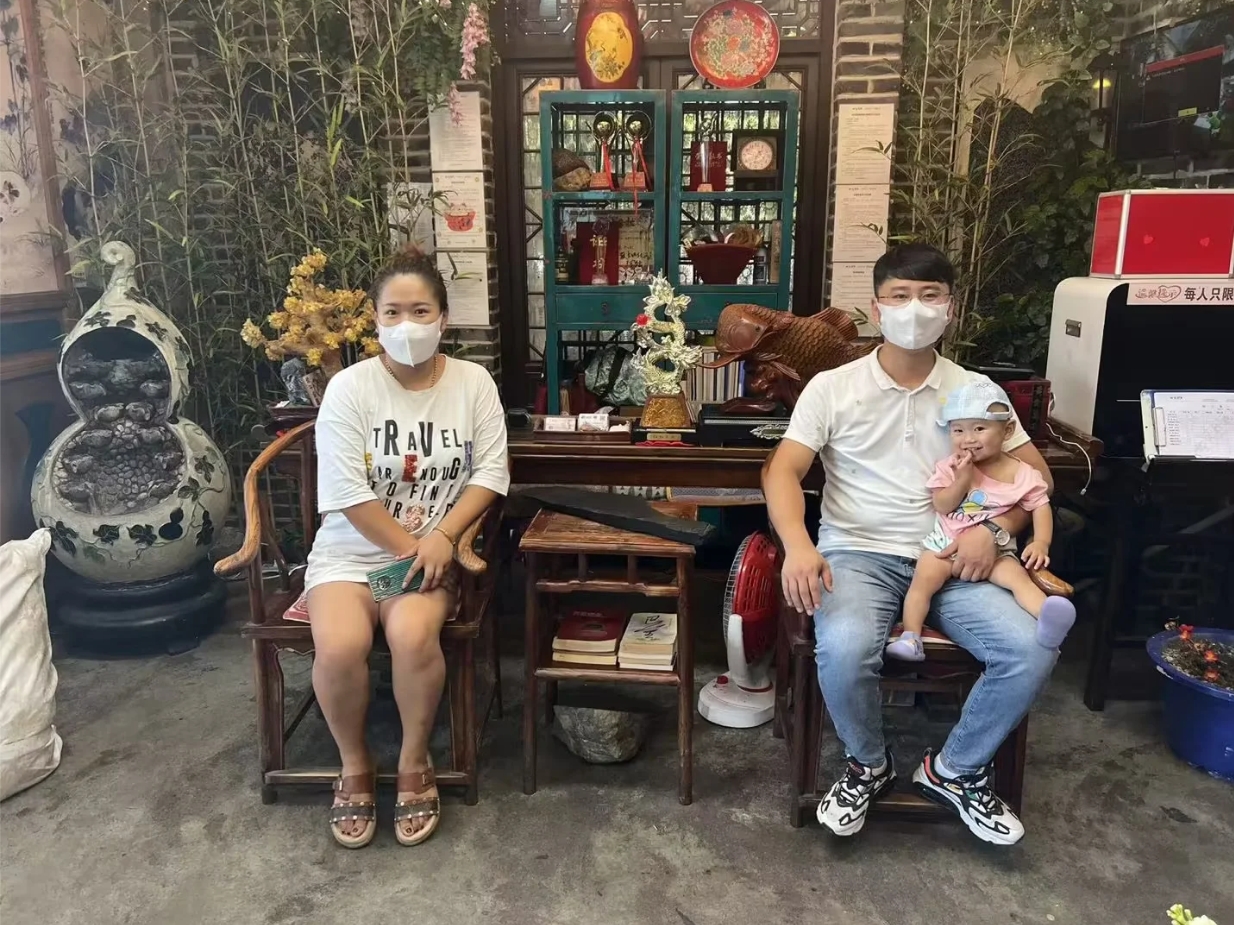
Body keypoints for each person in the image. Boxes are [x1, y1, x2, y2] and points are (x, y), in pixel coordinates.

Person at [762, 243, 1056, 846]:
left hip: (956, 556)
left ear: (951, 307)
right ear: (876, 308)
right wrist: (797, 544)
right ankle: (868, 765)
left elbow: (1037, 481)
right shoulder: (832, 387)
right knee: (845, 647)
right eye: (899, 296)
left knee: (1032, 646)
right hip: (858, 553)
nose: (914, 308)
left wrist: (995, 532)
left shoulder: (976, 390)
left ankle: (955, 769)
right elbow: (782, 470)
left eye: (929, 295)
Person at [303, 244, 509, 848]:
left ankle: (414, 760)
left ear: (444, 317)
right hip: (351, 552)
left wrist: (442, 537)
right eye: (392, 312)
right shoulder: (349, 388)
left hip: (435, 552)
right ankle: (355, 765)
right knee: (340, 645)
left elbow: (491, 472)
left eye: (420, 311)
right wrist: (411, 547)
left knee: (413, 635)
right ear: (375, 320)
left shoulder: (473, 383)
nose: (406, 325)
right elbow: (346, 492)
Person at [884, 378, 1076, 662]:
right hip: (944, 546)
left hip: (996, 552)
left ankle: (1049, 620)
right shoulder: (951, 467)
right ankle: (911, 637)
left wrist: (1041, 543)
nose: (968, 439)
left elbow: (1040, 505)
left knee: (1019, 579)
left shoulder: (1023, 473)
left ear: (1007, 430)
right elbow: (941, 504)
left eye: (979, 429)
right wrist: (962, 480)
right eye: (958, 430)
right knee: (922, 583)